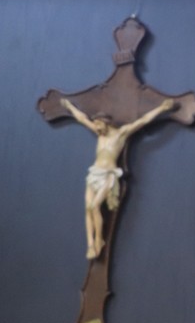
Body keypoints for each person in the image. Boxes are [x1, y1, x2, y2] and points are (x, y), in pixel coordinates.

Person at [61, 97, 177, 259]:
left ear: (106, 123)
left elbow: (143, 120)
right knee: (87, 208)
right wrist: (69, 106)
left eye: (99, 124)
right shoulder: (99, 134)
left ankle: (99, 239)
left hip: (108, 175)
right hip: (94, 174)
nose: (96, 128)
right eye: (95, 125)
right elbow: (82, 118)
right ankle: (90, 245)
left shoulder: (121, 134)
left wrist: (162, 108)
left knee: (94, 206)